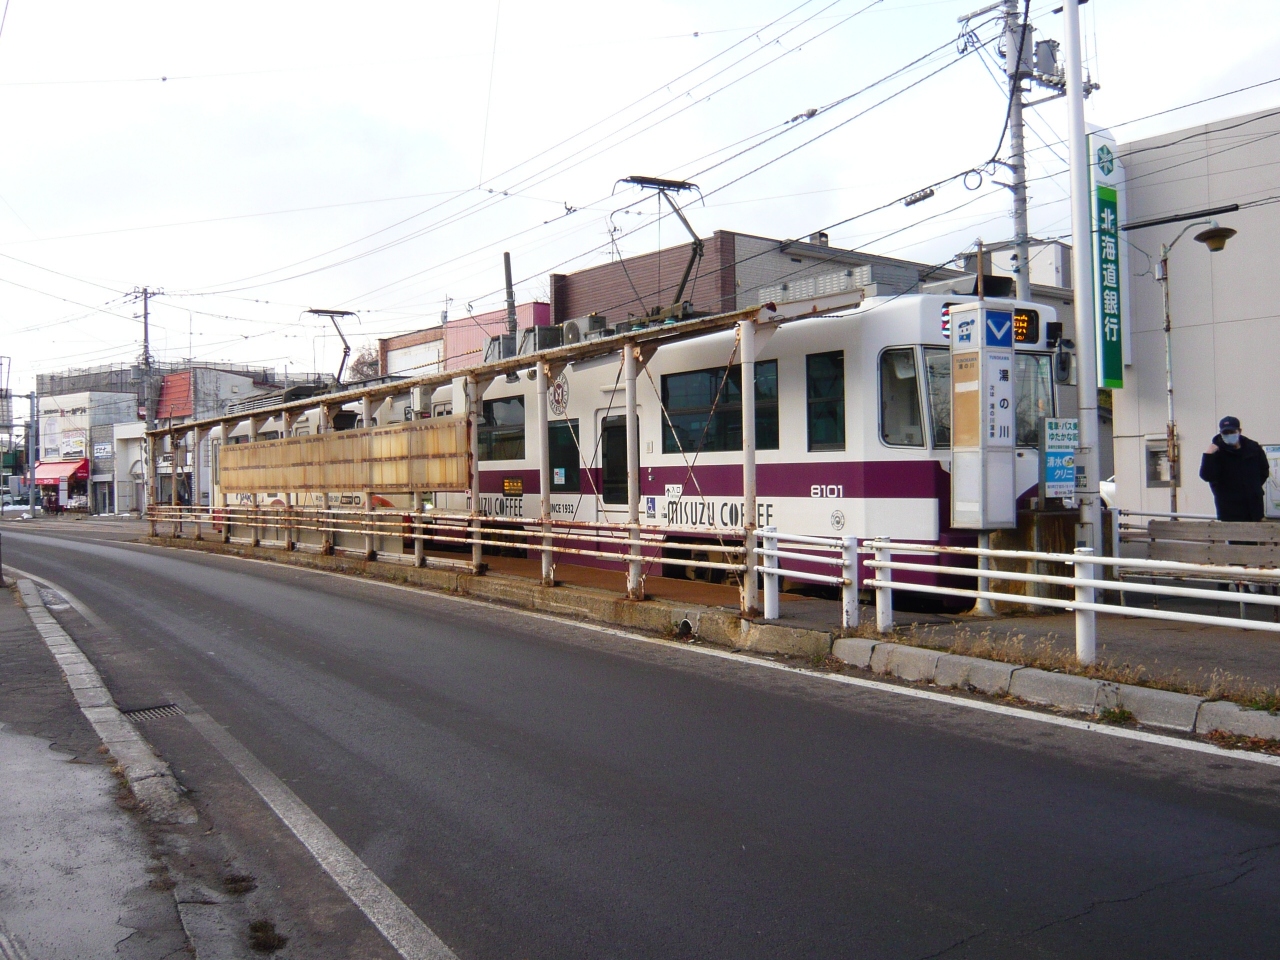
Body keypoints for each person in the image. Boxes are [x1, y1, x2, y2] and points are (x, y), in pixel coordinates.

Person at [1199, 416, 1270, 521]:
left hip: (1254, 507)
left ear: (1239, 431)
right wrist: (1208, 455)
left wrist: (1253, 488)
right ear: (1220, 433)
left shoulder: (1253, 448)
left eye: (1232, 432)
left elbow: (1264, 470)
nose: (1229, 435)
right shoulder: (1217, 451)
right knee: (1233, 531)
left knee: (1256, 531)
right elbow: (1207, 476)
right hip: (1229, 509)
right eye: (1225, 433)